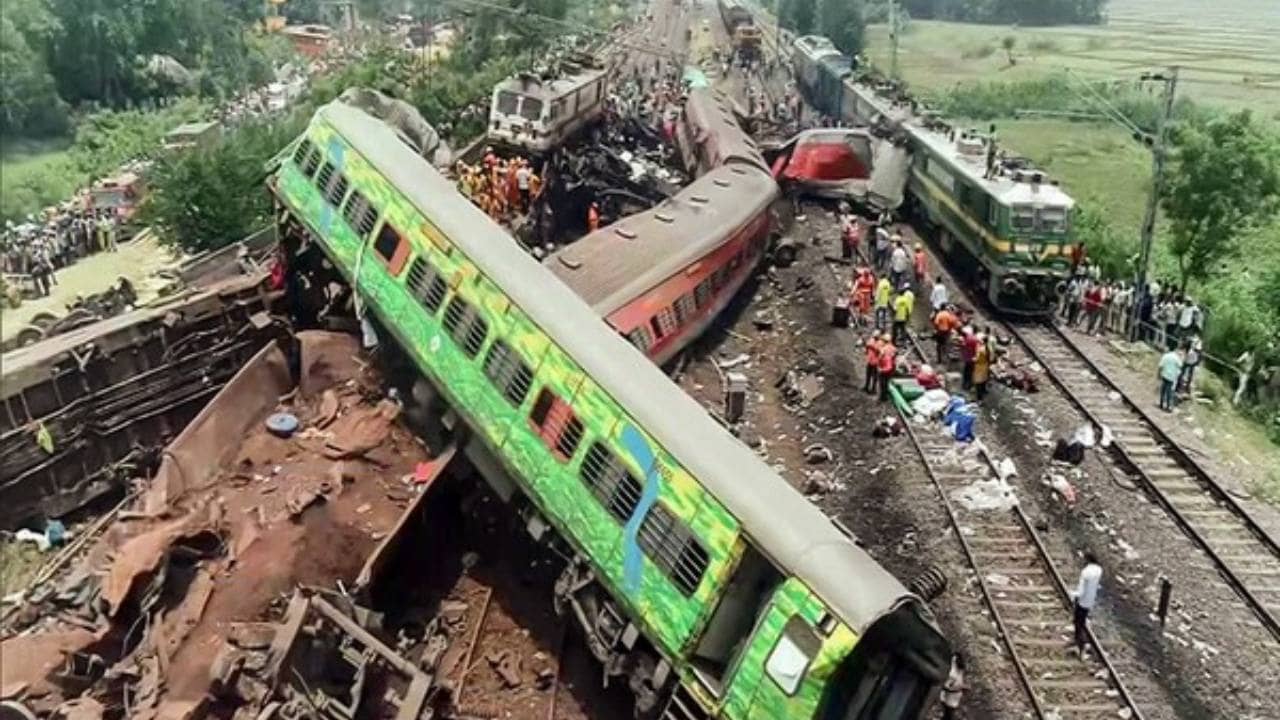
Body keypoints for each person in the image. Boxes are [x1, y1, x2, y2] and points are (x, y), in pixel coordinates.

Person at [1070, 553, 1102, 658]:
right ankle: (1083, 643)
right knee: (1082, 621)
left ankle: (1080, 644)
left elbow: (1081, 591)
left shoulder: (1086, 572)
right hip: (1091, 600)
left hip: (1082, 601)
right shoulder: (1098, 570)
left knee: (1078, 623)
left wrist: (1072, 594)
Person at [941, 653, 966, 720]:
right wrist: (958, 688)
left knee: (947, 716)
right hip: (950, 701)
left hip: (954, 699)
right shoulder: (953, 674)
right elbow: (946, 687)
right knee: (948, 716)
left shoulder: (960, 671)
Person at [1158, 345, 1183, 411]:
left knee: (1163, 390)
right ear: (1175, 349)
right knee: (1169, 392)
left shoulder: (1165, 356)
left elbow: (1160, 366)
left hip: (1164, 375)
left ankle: (1161, 403)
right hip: (1171, 377)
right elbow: (1180, 366)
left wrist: (1158, 374)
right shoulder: (1176, 358)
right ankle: (1168, 406)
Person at [878, 333, 897, 402]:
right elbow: (894, 358)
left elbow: (880, 358)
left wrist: (879, 367)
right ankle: (886, 394)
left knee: (882, 383)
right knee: (887, 381)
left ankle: (883, 397)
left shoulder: (883, 349)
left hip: (884, 369)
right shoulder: (894, 348)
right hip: (891, 368)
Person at [972, 335, 991, 400]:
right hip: (985, 365)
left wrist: (973, 359)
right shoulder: (988, 348)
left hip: (979, 366)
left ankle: (979, 398)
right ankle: (984, 391)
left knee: (978, 382)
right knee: (983, 380)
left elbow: (977, 359)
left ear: (983, 341)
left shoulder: (981, 350)